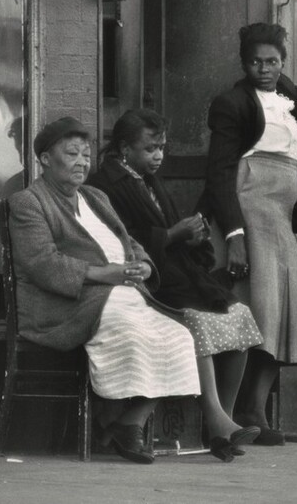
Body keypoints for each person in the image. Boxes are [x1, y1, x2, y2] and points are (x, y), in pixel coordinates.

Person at [8, 117, 201, 464]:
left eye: (86, 154)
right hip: (68, 304)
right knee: (130, 330)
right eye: (72, 154)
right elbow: (42, 264)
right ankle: (109, 423)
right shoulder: (29, 202)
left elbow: (129, 240)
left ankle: (130, 422)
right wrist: (104, 274)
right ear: (45, 160)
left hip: (123, 294)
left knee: (179, 335)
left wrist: (143, 265)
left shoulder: (95, 196)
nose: (82, 162)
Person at [199, 22, 297, 445]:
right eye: (255, 62)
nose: (264, 69)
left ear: (282, 62)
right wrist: (233, 234)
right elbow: (220, 172)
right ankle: (227, 415)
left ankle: (255, 407)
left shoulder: (286, 91)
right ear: (243, 64)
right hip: (249, 208)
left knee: (280, 313)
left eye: (272, 61)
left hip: (280, 217)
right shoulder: (232, 104)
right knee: (252, 309)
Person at [87, 109, 263, 461]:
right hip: (154, 283)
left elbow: (171, 229)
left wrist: (193, 236)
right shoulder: (105, 185)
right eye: (150, 149)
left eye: (162, 149)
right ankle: (218, 423)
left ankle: (221, 422)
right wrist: (172, 234)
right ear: (124, 148)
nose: (159, 157)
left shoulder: (147, 180)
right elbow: (121, 242)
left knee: (239, 314)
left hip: (183, 274)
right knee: (197, 322)